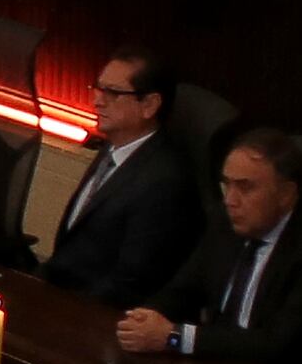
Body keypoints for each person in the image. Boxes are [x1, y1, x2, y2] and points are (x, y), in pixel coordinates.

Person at [113, 128, 302, 364]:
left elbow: (278, 344)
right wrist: (147, 317)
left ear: (286, 194)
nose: (230, 199)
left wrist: (175, 337)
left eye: (245, 187)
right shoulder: (225, 220)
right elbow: (185, 289)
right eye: (226, 184)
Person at [38, 48, 200, 307]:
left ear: (149, 105)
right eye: (98, 88)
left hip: (95, 316)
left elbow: (131, 284)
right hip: (59, 295)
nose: (98, 101)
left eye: (112, 93)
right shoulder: (113, 146)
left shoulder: (165, 183)